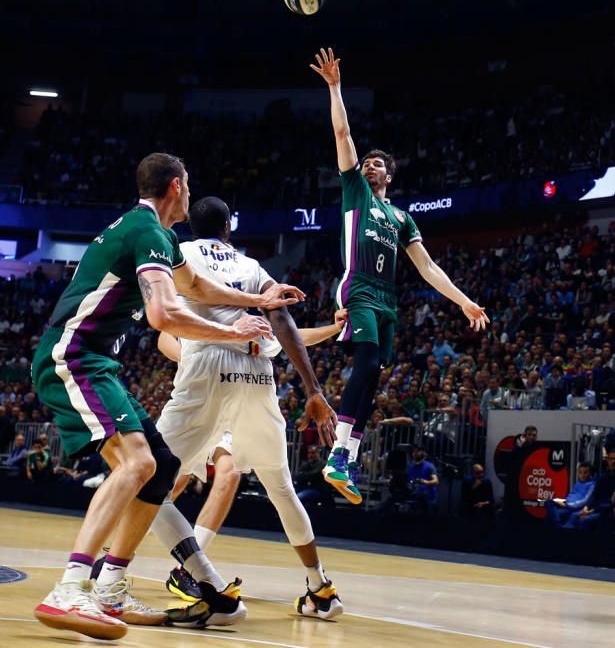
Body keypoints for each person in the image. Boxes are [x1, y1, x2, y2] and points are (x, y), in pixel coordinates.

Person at [31, 153, 304, 641]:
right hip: (71, 357)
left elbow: (197, 285)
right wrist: (231, 333)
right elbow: (162, 315)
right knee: (136, 464)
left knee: (160, 464)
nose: (191, 191)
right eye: (190, 183)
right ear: (176, 186)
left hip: (96, 361)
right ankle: (71, 587)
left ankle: (111, 586)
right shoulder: (147, 233)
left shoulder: (156, 236)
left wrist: (259, 300)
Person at [149, 196, 343, 621]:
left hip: (209, 360)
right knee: (281, 488)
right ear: (228, 229)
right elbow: (283, 321)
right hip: (257, 372)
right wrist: (313, 389)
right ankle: (320, 588)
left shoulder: (177, 255)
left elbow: (160, 322)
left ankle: (196, 577)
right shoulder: (251, 267)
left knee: (146, 479)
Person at [310, 48, 489, 504]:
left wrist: (463, 301)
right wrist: (334, 86)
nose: (368, 165)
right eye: (365, 162)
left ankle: (344, 458)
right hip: (361, 289)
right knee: (366, 364)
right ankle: (336, 455)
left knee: (373, 382)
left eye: (376, 164)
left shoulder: (402, 217)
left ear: (389, 174)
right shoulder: (354, 192)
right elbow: (342, 131)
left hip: (388, 299)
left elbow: (427, 267)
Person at [545, 462, 594, 527]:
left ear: (590, 473)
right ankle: (557, 526)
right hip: (567, 504)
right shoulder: (578, 483)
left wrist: (567, 505)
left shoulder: (592, 485)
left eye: (585, 472)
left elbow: (585, 501)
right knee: (548, 502)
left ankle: (558, 527)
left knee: (551, 515)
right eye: (580, 472)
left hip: (574, 508)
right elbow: (571, 495)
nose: (582, 475)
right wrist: (563, 502)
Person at [405, 445, 439, 514]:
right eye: (414, 451)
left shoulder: (429, 466)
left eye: (417, 451)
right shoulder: (410, 466)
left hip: (428, 499)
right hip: (414, 497)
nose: (415, 453)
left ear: (423, 453)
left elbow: (436, 481)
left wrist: (425, 482)